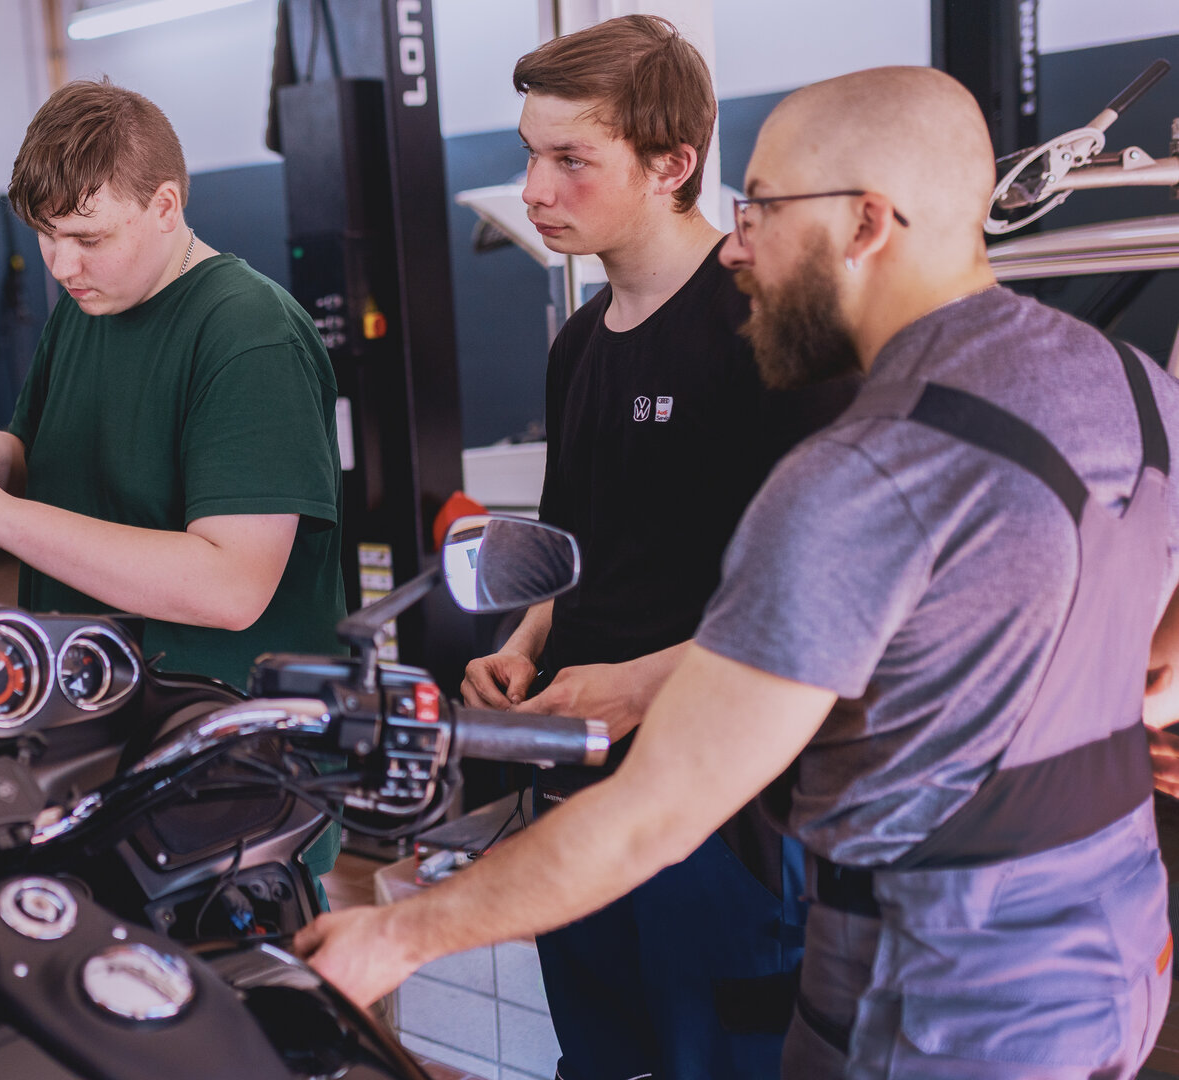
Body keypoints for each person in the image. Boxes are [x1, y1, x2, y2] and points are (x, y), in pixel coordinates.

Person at [299, 64, 1179, 1079]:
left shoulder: (860, 475)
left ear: (864, 225)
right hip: (1109, 956)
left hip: (937, 1002)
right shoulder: (1130, 381)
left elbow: (657, 812)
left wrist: (395, 936)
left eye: (758, 207)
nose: (735, 242)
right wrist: (1141, 682)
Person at [458, 18, 854, 1078]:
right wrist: (523, 643)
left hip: (721, 811)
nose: (534, 188)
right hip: (577, 788)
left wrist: (639, 685)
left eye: (569, 159)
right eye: (528, 153)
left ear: (670, 164)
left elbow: (837, 597)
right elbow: (571, 538)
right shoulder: (579, 341)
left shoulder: (766, 330)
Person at [0, 79, 345, 691]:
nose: (61, 266)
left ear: (164, 207)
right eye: (45, 234)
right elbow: (44, 466)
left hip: (231, 741)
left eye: (88, 237)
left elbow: (231, 587)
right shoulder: (86, 308)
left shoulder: (250, 334)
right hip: (90, 711)